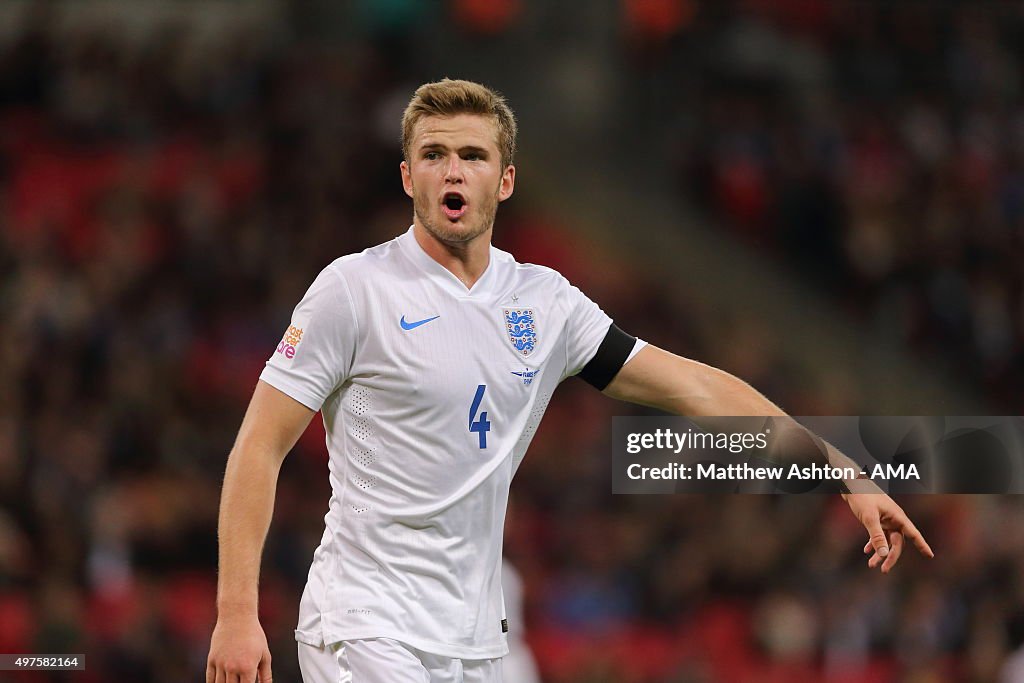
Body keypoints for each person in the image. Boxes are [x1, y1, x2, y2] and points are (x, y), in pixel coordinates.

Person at [206, 79, 933, 683]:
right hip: (365, 628)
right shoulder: (353, 290)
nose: (452, 171)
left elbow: (695, 389)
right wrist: (237, 613)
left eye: (471, 155)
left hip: (477, 641)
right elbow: (258, 448)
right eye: (432, 154)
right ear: (408, 176)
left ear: (507, 177)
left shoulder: (545, 303)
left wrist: (842, 468)